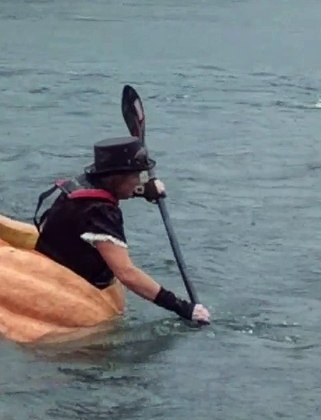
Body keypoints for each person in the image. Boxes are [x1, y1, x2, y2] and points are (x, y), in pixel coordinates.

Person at [32, 137, 211, 324]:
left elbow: (117, 189)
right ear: (116, 178)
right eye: (136, 177)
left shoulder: (85, 182)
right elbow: (126, 273)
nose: (138, 181)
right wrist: (182, 307)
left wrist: (143, 189)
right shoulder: (99, 211)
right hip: (66, 287)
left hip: (51, 263)